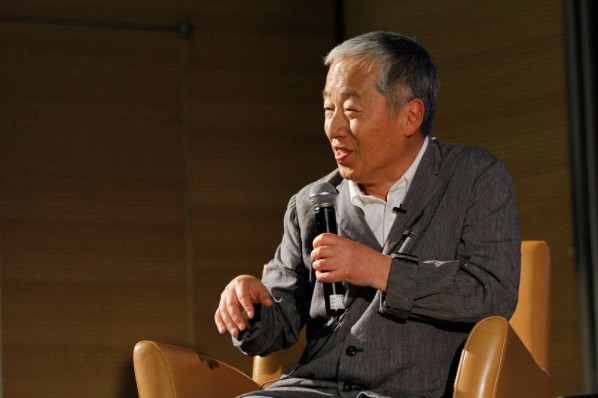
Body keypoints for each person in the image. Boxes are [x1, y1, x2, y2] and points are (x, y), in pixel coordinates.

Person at [214, 31, 521, 398]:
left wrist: (379, 270)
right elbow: (275, 331)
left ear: (410, 116)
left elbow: (491, 293)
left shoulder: (474, 177)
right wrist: (249, 306)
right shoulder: (310, 202)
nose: (334, 128)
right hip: (312, 389)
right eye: (329, 109)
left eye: (351, 110)